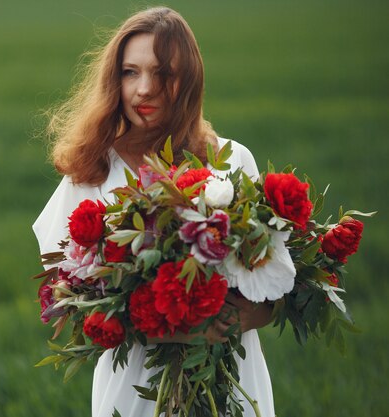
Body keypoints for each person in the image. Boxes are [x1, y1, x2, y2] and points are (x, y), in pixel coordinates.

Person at [33, 7, 276, 417]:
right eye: (130, 72)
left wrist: (241, 319)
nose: (144, 89)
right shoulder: (91, 174)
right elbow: (69, 301)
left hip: (233, 381)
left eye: (162, 74)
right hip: (135, 387)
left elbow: (276, 282)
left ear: (190, 81)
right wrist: (167, 325)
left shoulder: (231, 163)